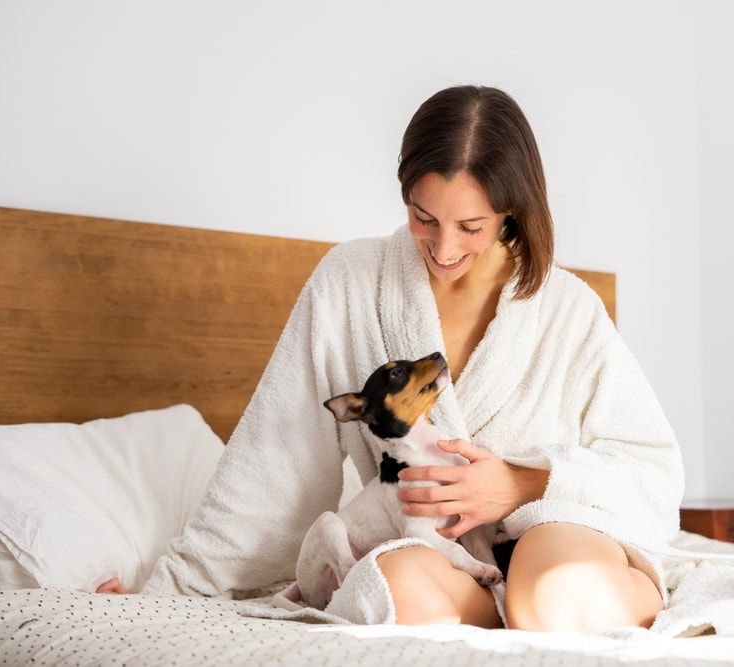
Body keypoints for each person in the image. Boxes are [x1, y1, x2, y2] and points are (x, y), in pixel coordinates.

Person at [102, 85, 685, 635]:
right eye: (423, 217)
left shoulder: (567, 308)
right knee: (389, 588)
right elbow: (273, 468)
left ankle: (598, 596)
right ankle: (505, 622)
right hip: (441, 559)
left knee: (552, 592)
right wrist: (164, 597)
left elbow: (652, 467)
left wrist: (520, 484)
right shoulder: (350, 283)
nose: (443, 248)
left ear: (512, 211)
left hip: (549, 530)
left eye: (471, 226)